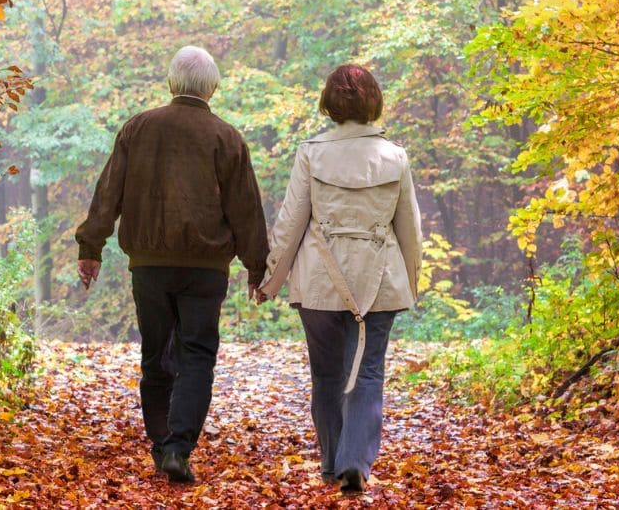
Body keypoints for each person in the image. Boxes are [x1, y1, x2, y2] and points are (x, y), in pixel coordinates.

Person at [75, 46, 269, 484]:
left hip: (149, 266)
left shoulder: (138, 129)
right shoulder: (227, 137)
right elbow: (246, 211)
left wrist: (91, 247)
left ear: (171, 83)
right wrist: (258, 267)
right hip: (206, 270)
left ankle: (162, 446)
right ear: (212, 87)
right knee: (198, 356)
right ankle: (180, 447)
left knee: (155, 356)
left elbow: (109, 194)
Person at [256, 64, 422, 496]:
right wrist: (412, 285)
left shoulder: (311, 152)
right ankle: (355, 462)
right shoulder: (395, 157)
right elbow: (409, 231)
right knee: (366, 373)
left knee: (327, 374)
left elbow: (291, 222)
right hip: (379, 284)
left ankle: (332, 464)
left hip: (319, 284)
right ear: (373, 103)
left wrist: (270, 280)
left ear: (329, 103)